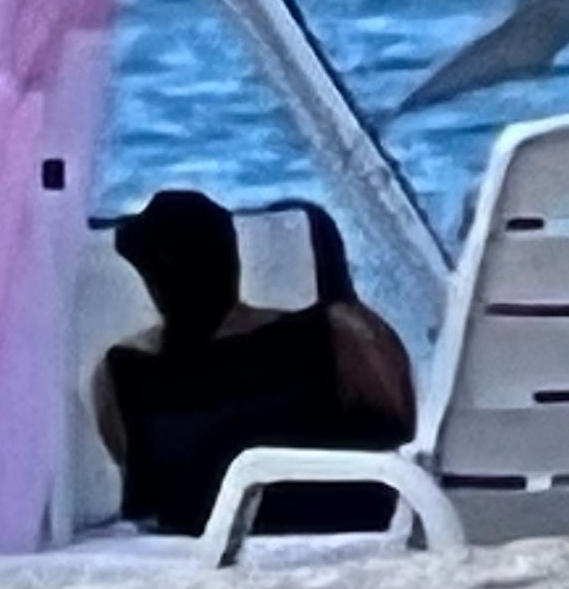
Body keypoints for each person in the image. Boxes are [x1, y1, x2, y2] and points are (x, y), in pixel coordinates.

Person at [93, 190, 416, 537]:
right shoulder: (337, 333)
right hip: (343, 541)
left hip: (202, 556)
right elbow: (399, 421)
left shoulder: (122, 373)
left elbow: (142, 478)